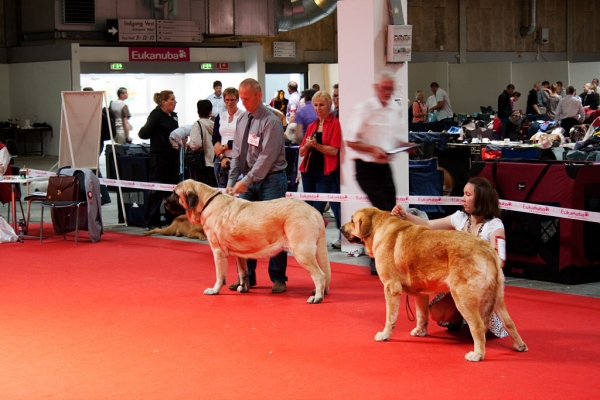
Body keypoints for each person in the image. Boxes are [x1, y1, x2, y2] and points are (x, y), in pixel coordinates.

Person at [390, 177, 508, 338]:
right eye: (463, 194)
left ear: (480, 199)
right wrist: (404, 215)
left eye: (468, 194)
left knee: (478, 318)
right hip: (457, 279)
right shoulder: (459, 218)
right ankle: (445, 320)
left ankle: (478, 319)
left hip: (481, 283)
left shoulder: (494, 225)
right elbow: (428, 225)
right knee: (437, 310)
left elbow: (500, 260)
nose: (463, 199)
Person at [226, 78, 289, 294]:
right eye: (240, 99)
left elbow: (266, 157)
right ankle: (246, 277)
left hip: (271, 179)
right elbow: (236, 153)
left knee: (276, 230)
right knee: (243, 231)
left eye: (246, 98)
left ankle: (278, 278)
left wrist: (246, 181)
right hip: (247, 180)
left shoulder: (272, 121)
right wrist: (231, 181)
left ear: (259, 95)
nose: (243, 103)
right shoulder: (242, 119)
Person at [345, 70, 407, 274]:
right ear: (376, 88)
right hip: (366, 167)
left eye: (390, 88)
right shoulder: (364, 109)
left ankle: (388, 254)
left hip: (384, 166)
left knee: (392, 212)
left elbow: (394, 138)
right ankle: (376, 256)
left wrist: (405, 145)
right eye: (384, 88)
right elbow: (351, 141)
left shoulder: (393, 108)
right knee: (381, 213)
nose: (387, 92)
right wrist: (373, 149)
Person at [138, 90, 181, 231]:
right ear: (164, 102)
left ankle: (171, 219)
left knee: (172, 191)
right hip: (159, 159)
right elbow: (143, 133)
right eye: (172, 99)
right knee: (156, 191)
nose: (175, 102)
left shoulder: (173, 116)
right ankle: (151, 221)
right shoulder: (156, 115)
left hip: (172, 158)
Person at [298, 90, 342, 222]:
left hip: (325, 173)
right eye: (315, 105)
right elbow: (301, 152)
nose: (318, 108)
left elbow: (334, 150)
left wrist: (316, 145)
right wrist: (308, 145)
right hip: (308, 172)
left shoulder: (335, 124)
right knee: (308, 209)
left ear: (329, 106)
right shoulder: (312, 126)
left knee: (317, 209)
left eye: (321, 105)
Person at [213, 87, 244, 188]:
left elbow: (243, 138)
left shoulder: (243, 115)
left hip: (238, 158)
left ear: (237, 100)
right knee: (222, 193)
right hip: (221, 159)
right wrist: (221, 154)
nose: (229, 102)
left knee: (237, 193)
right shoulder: (220, 116)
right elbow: (215, 137)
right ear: (224, 100)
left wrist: (225, 146)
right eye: (227, 100)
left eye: (232, 100)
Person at [187, 99, 217, 187]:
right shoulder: (215, 125)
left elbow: (196, 144)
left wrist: (188, 145)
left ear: (198, 111)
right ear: (210, 112)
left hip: (203, 162)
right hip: (214, 161)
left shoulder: (197, 125)